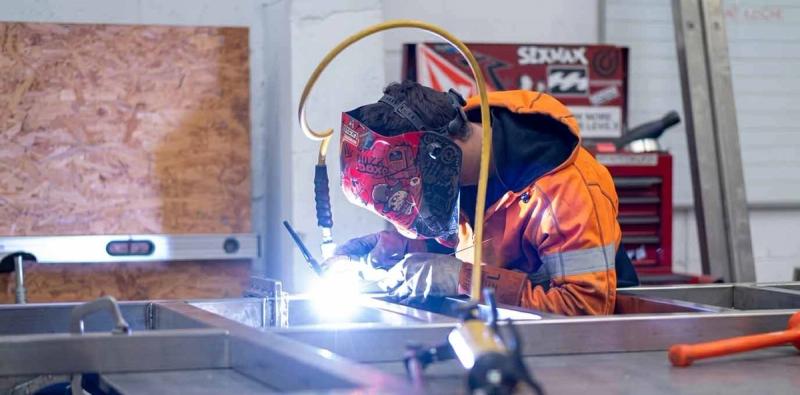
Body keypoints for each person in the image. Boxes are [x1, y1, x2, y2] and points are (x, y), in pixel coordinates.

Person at [328, 81, 637, 315]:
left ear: (440, 154)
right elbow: (460, 240)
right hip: (496, 329)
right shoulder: (450, 172)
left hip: (585, 350)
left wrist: (464, 279)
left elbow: (585, 308)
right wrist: (401, 247)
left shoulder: (564, 191)